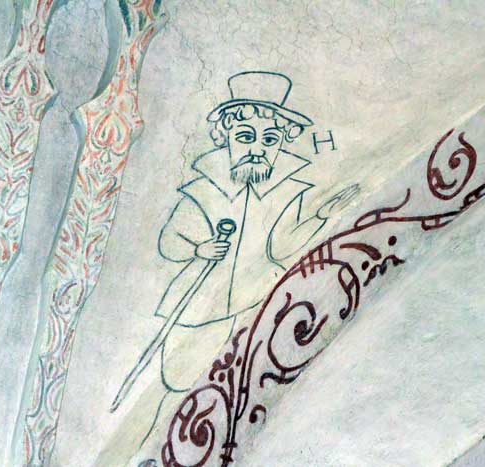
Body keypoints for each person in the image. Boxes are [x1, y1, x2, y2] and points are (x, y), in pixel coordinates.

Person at [136, 71, 359, 453]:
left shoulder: (285, 189)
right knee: (176, 382)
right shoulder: (205, 187)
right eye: (246, 136)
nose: (258, 148)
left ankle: (207, 445)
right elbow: (169, 240)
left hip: (245, 304)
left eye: (269, 140)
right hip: (196, 306)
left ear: (281, 144)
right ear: (226, 138)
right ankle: (156, 445)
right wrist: (199, 248)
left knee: (231, 385)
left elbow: (283, 246)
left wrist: (321, 215)